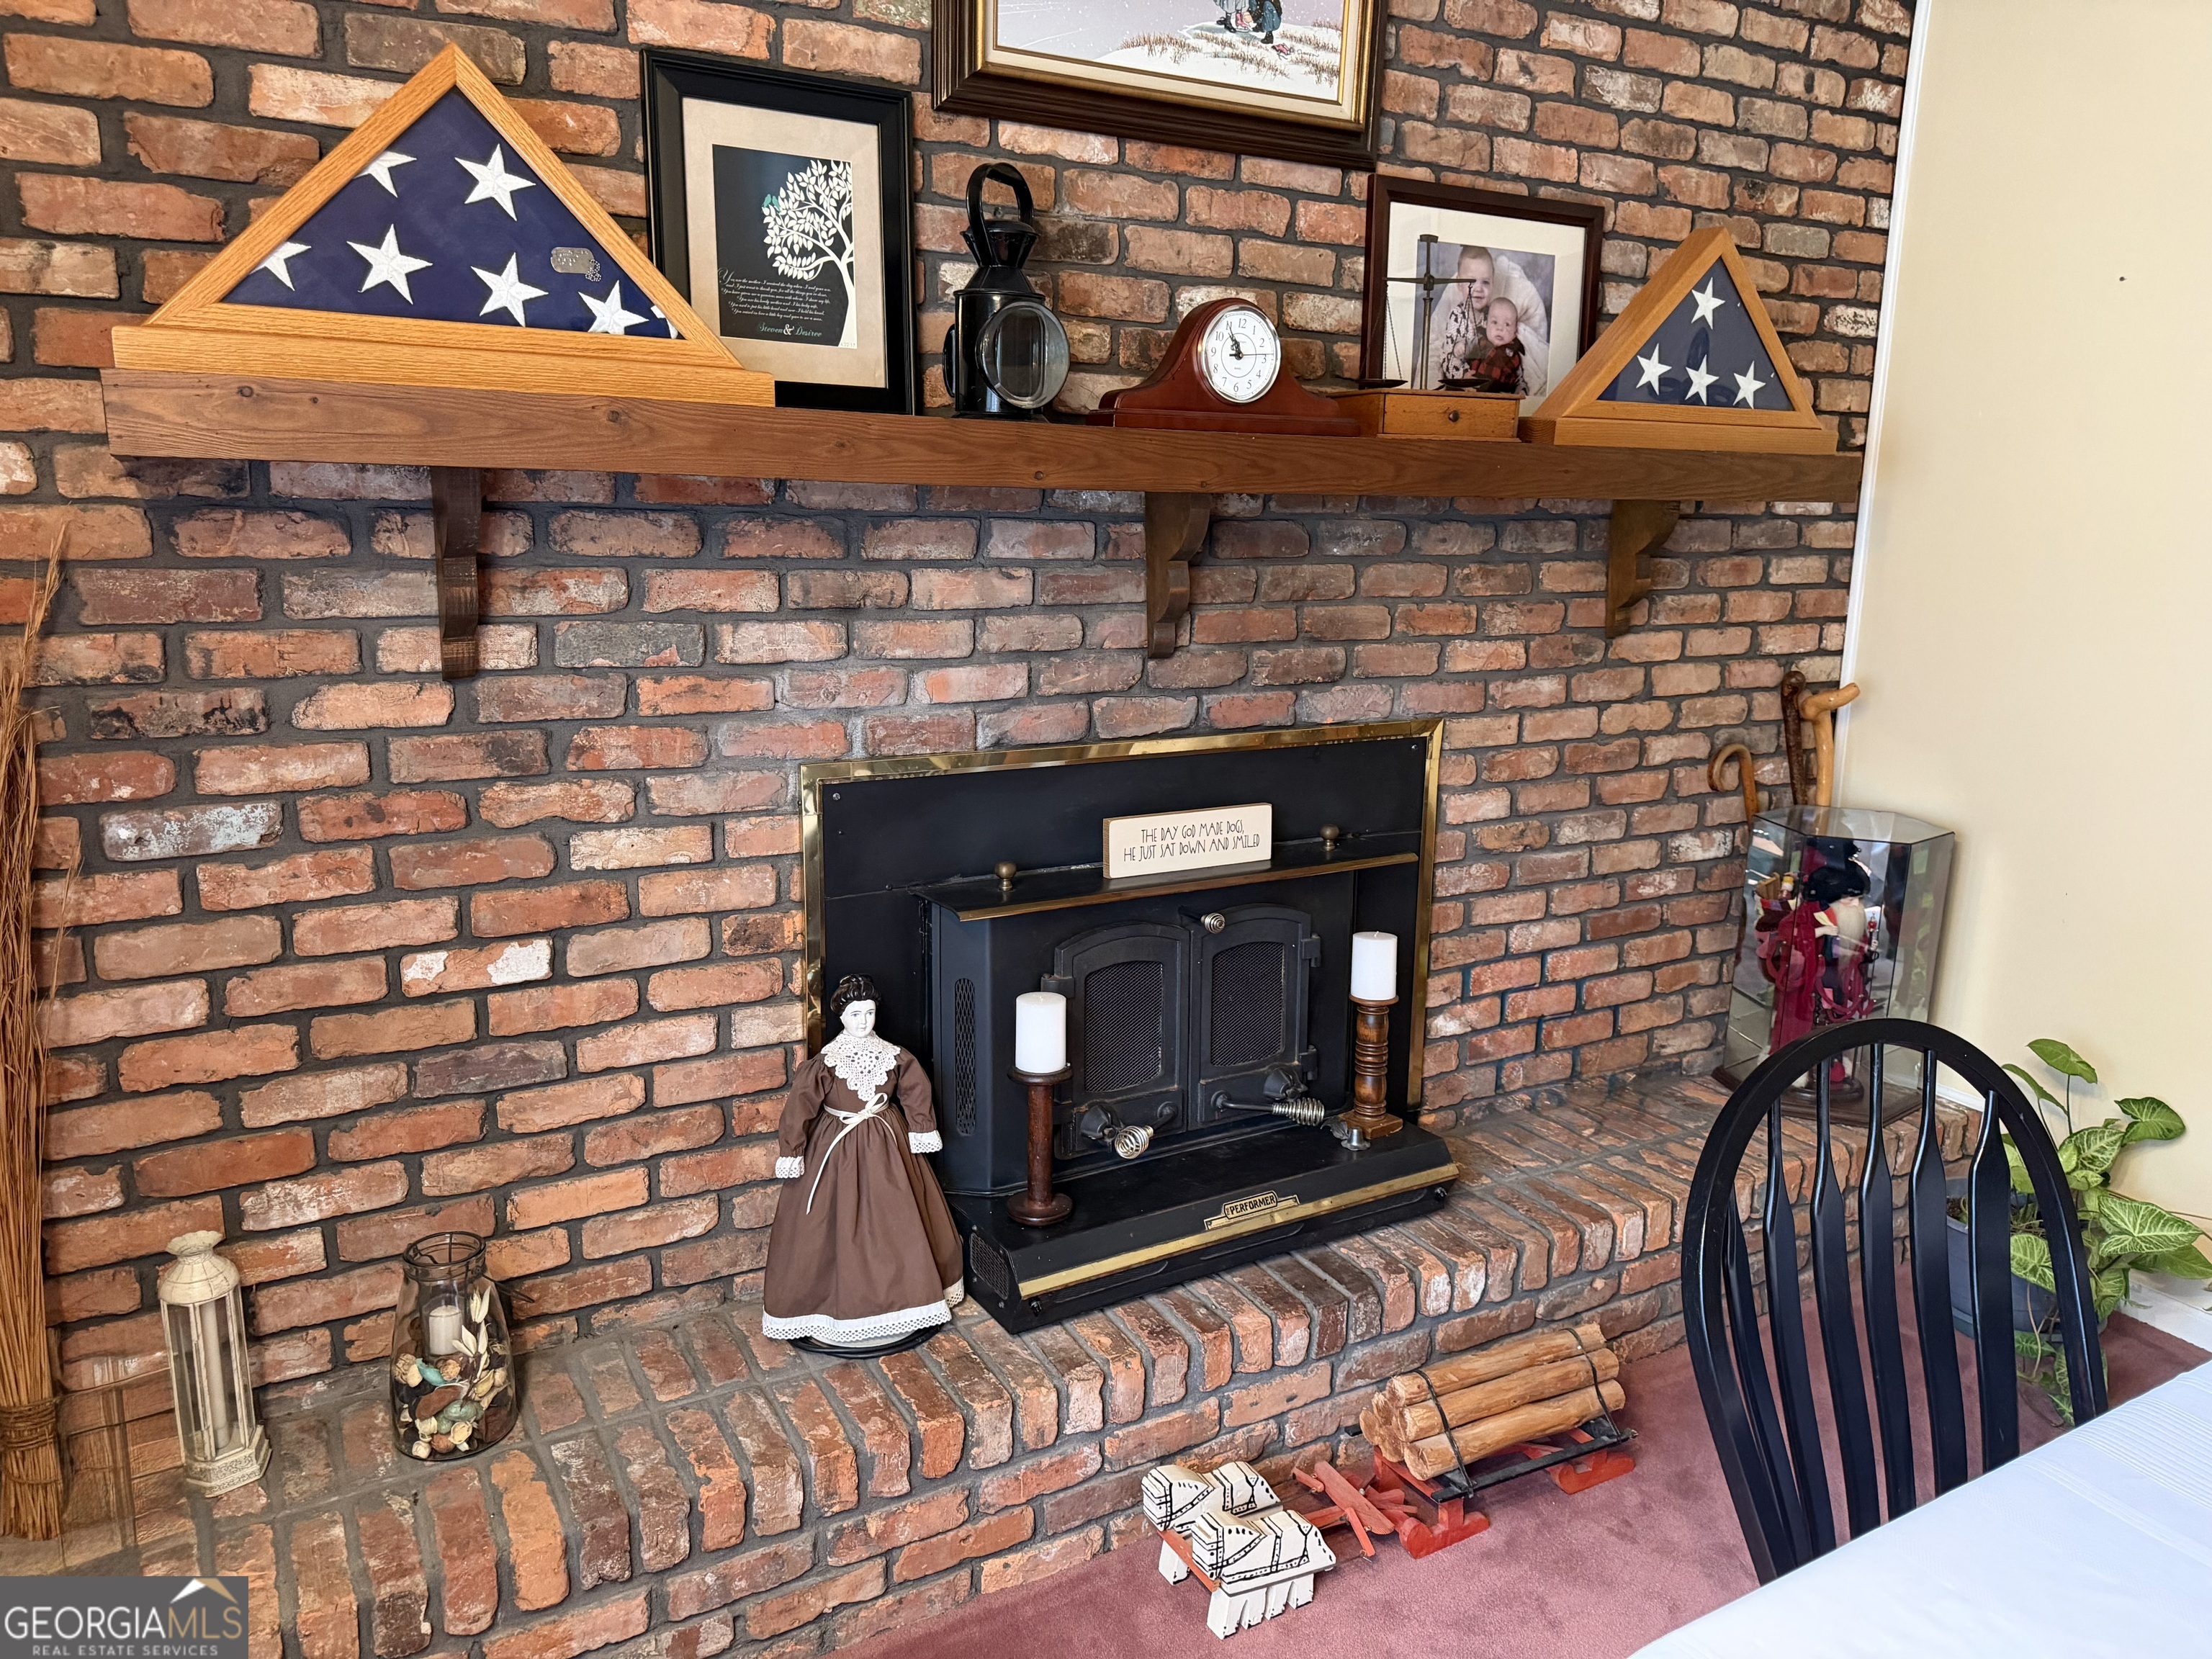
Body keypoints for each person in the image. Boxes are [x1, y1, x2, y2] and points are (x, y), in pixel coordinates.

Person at [761, 975, 964, 1349]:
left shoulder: (893, 1055)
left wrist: (921, 1128)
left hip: (888, 1142)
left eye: (869, 1013)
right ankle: (831, 1307)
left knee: (898, 1216)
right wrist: (792, 1150)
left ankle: (907, 1299)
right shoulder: (825, 1063)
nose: (864, 1021)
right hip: (835, 1146)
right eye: (856, 1014)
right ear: (841, 1016)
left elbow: (916, 1088)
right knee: (828, 1223)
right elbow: (800, 1107)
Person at [1462, 297, 1527, 393]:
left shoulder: (1513, 355)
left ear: (1515, 332)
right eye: (1495, 322)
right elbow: (1462, 360)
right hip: (1475, 392)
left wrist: (1521, 391)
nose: (1500, 328)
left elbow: (1519, 380)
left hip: (1499, 396)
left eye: (1507, 324)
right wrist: (1464, 377)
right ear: (1486, 324)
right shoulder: (1478, 343)